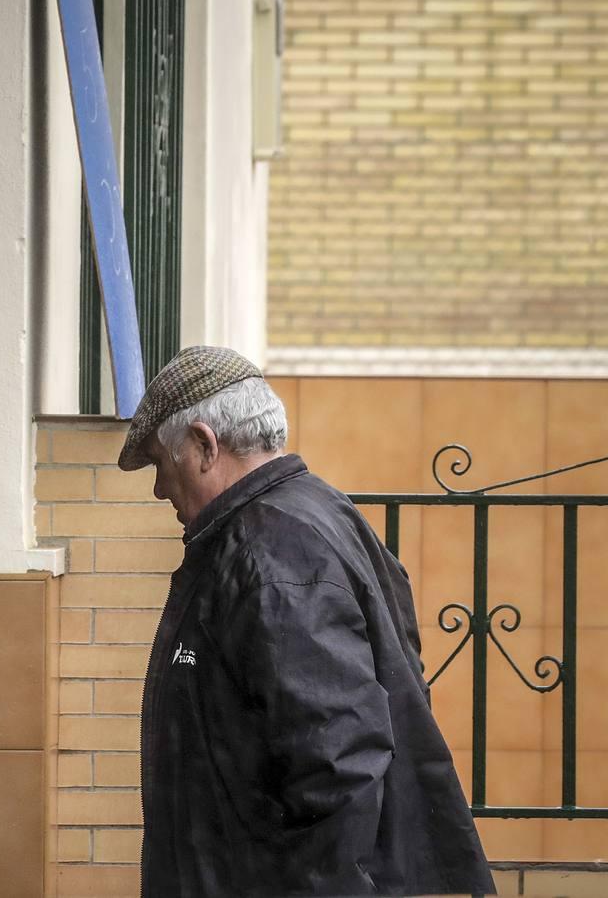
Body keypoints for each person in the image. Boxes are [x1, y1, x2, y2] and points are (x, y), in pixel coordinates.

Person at [119, 345, 494, 897]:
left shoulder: (270, 550)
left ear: (203, 444)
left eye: (159, 463)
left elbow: (336, 764)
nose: (158, 489)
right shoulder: (317, 510)